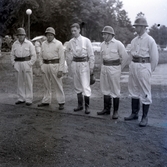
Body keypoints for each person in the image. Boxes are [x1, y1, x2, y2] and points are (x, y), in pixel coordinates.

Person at [124, 16, 159, 127]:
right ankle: (134, 113)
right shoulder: (134, 40)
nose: (135, 28)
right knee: (133, 90)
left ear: (143, 27)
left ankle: (144, 117)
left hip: (144, 66)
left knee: (144, 91)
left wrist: (149, 70)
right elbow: (131, 55)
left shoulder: (150, 40)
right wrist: (129, 65)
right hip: (134, 65)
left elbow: (154, 58)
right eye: (135, 26)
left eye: (137, 26)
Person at [97, 26, 129, 119]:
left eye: (105, 34)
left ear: (111, 35)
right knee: (105, 89)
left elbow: (125, 58)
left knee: (115, 90)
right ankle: (106, 109)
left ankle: (115, 112)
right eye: (103, 34)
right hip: (105, 68)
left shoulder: (118, 44)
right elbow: (101, 57)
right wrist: (101, 67)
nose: (104, 35)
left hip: (114, 68)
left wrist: (119, 69)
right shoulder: (102, 44)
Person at [66, 23, 95, 114]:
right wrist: (69, 65)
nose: (73, 32)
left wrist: (91, 68)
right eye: (72, 31)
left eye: (75, 30)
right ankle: (80, 105)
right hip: (75, 64)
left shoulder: (86, 40)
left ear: (79, 30)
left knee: (85, 85)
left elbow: (91, 55)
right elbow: (68, 54)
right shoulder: (70, 42)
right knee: (77, 85)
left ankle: (87, 107)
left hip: (84, 64)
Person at [38, 27, 65, 110]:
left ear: (54, 35)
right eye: (47, 35)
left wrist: (61, 70)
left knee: (57, 84)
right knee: (46, 84)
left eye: (51, 35)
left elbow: (62, 58)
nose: (49, 36)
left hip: (55, 65)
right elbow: (40, 56)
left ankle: (61, 102)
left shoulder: (58, 44)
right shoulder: (43, 44)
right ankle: (46, 100)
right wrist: (41, 65)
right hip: (45, 64)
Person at [11, 28, 37, 106]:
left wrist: (30, 64)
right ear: (17, 36)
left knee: (28, 82)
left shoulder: (29, 44)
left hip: (26, 62)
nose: (21, 36)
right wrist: (13, 64)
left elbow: (34, 55)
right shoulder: (15, 44)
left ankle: (29, 99)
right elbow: (12, 55)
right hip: (18, 63)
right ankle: (21, 98)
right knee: (19, 82)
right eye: (19, 35)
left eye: (22, 35)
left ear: (24, 35)